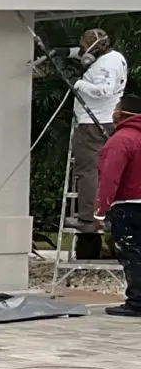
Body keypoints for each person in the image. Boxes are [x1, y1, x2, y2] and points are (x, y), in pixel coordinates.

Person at [70, 28, 128, 259]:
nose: (83, 50)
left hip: (92, 124)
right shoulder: (114, 58)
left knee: (87, 171)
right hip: (103, 121)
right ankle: (100, 214)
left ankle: (89, 217)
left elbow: (104, 90)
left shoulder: (105, 65)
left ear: (94, 47)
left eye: (84, 45)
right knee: (102, 171)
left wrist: (78, 84)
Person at [96, 90, 141, 316]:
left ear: (123, 114)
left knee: (132, 254)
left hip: (129, 206)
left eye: (115, 110)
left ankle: (136, 303)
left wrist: (101, 209)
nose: (112, 113)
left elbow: (109, 177)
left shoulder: (121, 140)